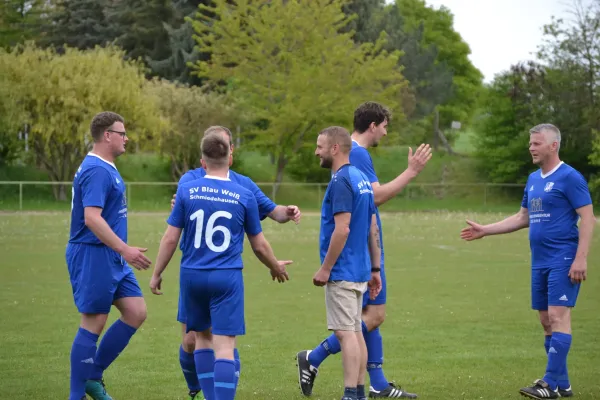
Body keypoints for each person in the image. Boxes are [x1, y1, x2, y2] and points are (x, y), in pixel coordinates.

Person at [297, 102, 431, 398]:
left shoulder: (349, 168)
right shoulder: (356, 156)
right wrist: (410, 173)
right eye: (384, 126)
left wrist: (331, 266)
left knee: (356, 327)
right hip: (357, 258)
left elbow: (350, 221)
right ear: (374, 124)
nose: (385, 132)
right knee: (363, 323)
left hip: (350, 261)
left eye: (319, 147)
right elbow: (373, 201)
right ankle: (368, 385)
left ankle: (345, 380)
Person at [149, 132, 292, 400]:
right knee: (224, 346)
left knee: (202, 340)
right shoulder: (243, 194)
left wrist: (157, 273)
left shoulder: (186, 189)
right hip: (226, 277)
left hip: (192, 275)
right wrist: (275, 266)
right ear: (230, 156)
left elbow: (170, 237)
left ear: (202, 160)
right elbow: (259, 245)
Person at [460, 123, 595, 399]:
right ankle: (563, 385)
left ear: (553, 145)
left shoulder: (570, 177)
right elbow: (522, 217)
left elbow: (589, 219)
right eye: (530, 143)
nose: (530, 147)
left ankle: (547, 383)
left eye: (536, 143)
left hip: (564, 257)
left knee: (558, 316)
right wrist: (486, 230)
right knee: (546, 320)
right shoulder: (533, 179)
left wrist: (581, 258)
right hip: (540, 260)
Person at [66, 111, 152, 400]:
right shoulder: (97, 170)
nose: (126, 138)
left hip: (110, 256)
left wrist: (121, 250)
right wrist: (124, 249)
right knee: (93, 322)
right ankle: (76, 394)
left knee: (136, 311)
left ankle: (93, 375)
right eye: (122, 133)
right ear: (107, 135)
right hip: (93, 254)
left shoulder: (106, 167)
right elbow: (91, 218)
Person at [311, 126, 382, 400]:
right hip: (360, 269)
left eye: (319, 146)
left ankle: (351, 394)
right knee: (355, 332)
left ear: (334, 148)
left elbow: (343, 229)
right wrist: (375, 268)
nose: (316, 151)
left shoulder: (341, 180)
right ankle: (360, 393)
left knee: (345, 334)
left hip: (343, 270)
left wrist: (325, 268)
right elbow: (372, 227)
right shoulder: (361, 178)